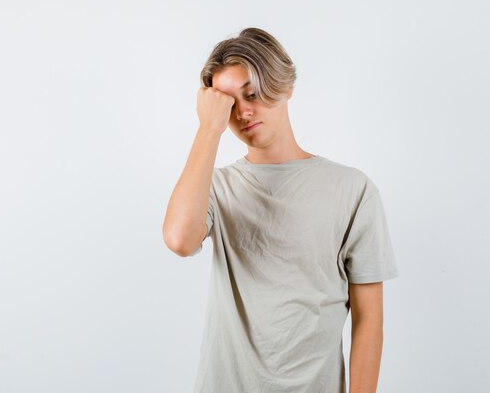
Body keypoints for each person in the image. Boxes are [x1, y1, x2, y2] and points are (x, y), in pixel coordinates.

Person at [162, 27, 399, 393]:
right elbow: (179, 240)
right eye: (228, 103)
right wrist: (208, 129)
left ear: (285, 86)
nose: (243, 112)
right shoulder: (217, 187)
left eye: (252, 94)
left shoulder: (352, 189)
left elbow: (369, 318)